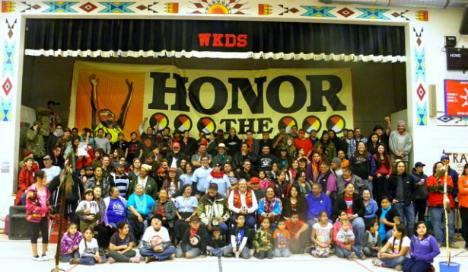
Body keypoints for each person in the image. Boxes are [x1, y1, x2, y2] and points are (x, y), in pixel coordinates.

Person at [426, 162, 456, 247]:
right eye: (438, 167)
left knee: (450, 223)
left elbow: (449, 189)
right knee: (436, 224)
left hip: (447, 204)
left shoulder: (448, 177)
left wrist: (437, 187)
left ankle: (450, 241)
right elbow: (430, 189)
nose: (440, 168)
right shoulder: (430, 178)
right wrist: (442, 188)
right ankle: (439, 241)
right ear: (435, 169)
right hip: (435, 205)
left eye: (441, 167)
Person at [25, 170, 51, 261]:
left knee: (45, 234)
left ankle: (44, 254)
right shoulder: (31, 189)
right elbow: (29, 205)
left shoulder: (46, 189)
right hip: (34, 216)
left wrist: (49, 208)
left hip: (45, 215)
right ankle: (35, 255)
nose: (46, 179)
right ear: (38, 178)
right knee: (34, 234)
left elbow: (47, 202)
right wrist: (40, 209)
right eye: (45, 177)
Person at [334, 183, 366, 255]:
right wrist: (344, 215)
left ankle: (358, 246)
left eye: (352, 187)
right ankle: (341, 246)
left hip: (354, 217)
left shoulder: (357, 197)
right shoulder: (339, 197)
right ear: (345, 189)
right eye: (349, 187)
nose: (351, 189)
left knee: (360, 224)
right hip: (343, 218)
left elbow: (362, 210)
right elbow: (335, 209)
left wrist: (355, 215)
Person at [388, 161, 415, 236]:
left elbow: (414, 189)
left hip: (408, 203)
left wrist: (412, 199)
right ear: (396, 167)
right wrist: (391, 199)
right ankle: (404, 239)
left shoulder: (409, 177)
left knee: (411, 221)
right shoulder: (391, 177)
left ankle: (411, 240)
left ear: (405, 168)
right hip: (397, 203)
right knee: (401, 223)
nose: (401, 168)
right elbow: (387, 190)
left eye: (403, 166)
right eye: (399, 166)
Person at [459, 163, 468, 249]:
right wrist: (465, 189)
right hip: (464, 205)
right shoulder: (462, 178)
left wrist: (466, 188)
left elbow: (464, 189)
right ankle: (467, 241)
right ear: (465, 169)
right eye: (467, 168)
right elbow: (461, 191)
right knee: (465, 224)